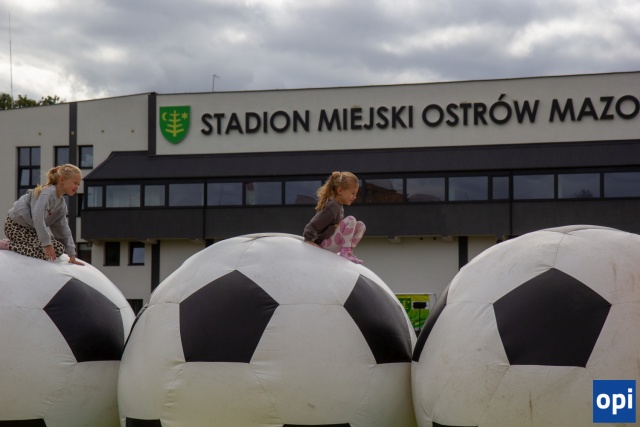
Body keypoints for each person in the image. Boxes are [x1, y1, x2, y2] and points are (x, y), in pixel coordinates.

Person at [0, 164, 85, 265]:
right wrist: (46, 244)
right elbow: (38, 218)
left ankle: (17, 243)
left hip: (32, 230)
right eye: (75, 183)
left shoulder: (61, 204)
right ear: (62, 180)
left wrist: (72, 254)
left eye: (78, 184)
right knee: (48, 249)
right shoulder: (46, 193)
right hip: (16, 226)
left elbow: (63, 230)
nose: (77, 187)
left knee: (58, 248)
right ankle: (7, 245)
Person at [303, 171, 366, 264]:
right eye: (353, 193)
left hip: (333, 243)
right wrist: (308, 239)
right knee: (351, 219)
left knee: (361, 225)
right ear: (340, 191)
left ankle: (348, 252)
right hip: (325, 244)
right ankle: (345, 252)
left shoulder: (339, 206)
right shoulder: (332, 206)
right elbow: (315, 223)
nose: (355, 197)